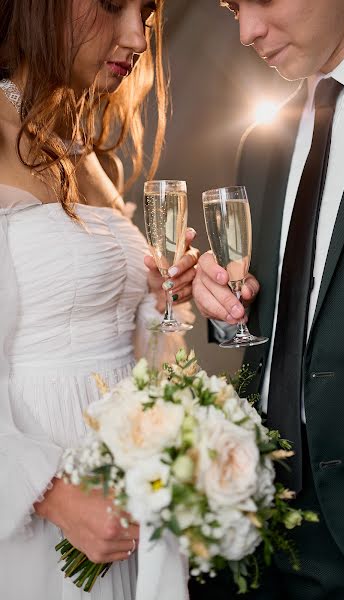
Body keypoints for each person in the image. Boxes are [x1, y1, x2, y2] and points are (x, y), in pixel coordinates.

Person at [192, 1, 344, 598]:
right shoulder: (263, 141)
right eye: (233, 7)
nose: (246, 30)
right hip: (261, 543)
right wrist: (223, 310)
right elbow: (262, 341)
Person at [0, 1, 198, 599]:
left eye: (147, 11)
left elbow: (120, 341)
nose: (137, 36)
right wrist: (50, 494)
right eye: (114, 4)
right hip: (37, 519)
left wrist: (161, 300)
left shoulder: (85, 148)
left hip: (126, 504)